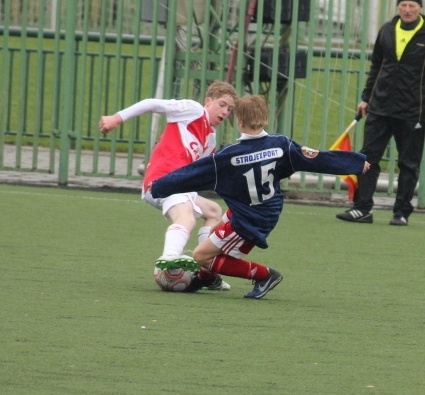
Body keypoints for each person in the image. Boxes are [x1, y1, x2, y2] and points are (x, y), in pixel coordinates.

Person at [150, 95, 370, 299]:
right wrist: (356, 163)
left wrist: (159, 186)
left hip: (250, 219)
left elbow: (192, 173)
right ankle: (207, 278)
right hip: (264, 210)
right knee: (216, 232)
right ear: (265, 119)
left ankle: (264, 275)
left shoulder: (228, 156)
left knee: (201, 256)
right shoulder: (282, 145)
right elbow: (318, 158)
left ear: (240, 121)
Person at [98, 81, 238, 291]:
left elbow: (202, 171)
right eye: (222, 104)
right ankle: (170, 257)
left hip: (180, 186)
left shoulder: (210, 138)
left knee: (213, 211)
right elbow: (151, 103)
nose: (225, 112)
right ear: (208, 101)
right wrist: (117, 118)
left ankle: (206, 271)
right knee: (187, 218)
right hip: (163, 182)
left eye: (230, 109)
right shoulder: (193, 110)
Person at [335, 0, 425, 226]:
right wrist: (366, 98)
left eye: (412, 6)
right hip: (380, 107)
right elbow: (376, 67)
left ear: (420, 8)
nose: (407, 10)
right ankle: (362, 208)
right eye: (403, 5)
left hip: (412, 112)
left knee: (408, 163)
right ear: (398, 7)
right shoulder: (386, 30)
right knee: (367, 158)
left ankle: (401, 212)